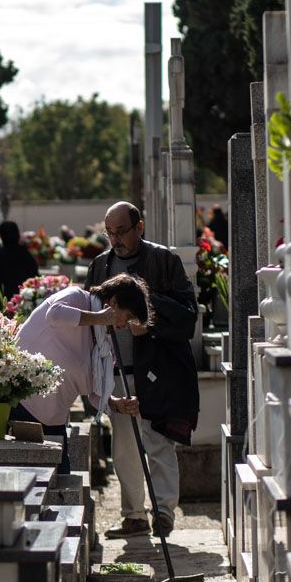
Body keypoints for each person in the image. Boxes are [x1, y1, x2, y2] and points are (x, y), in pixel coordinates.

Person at [86, 201, 199, 539]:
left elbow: (187, 316)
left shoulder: (164, 261)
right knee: (124, 447)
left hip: (158, 368)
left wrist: (147, 319)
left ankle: (163, 511)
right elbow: (90, 312)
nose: (115, 239)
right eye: (109, 233)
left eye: (120, 231)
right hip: (118, 367)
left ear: (140, 227)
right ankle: (134, 516)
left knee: (159, 441)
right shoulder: (100, 265)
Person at [12, 274, 151, 472]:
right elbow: (54, 315)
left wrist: (115, 404)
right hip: (20, 405)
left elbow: (94, 389)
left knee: (59, 482)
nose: (124, 326)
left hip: (54, 419)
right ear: (113, 302)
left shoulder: (104, 340)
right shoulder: (77, 297)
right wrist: (100, 318)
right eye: (127, 317)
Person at [0, 221, 39, 310]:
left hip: (3, 305)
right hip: (25, 303)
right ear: (18, 235)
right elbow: (35, 278)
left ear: (1, 236)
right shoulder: (26, 255)